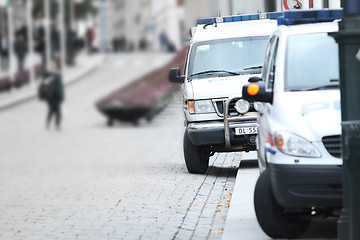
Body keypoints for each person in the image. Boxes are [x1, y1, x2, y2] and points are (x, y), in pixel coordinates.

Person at [42, 60, 64, 130]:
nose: (53, 66)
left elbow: (60, 86)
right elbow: (43, 82)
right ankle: (48, 121)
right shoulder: (47, 73)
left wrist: (62, 96)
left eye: (54, 65)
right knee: (51, 109)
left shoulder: (58, 74)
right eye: (52, 65)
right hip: (49, 95)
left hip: (57, 94)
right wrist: (50, 79)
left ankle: (57, 124)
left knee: (58, 110)